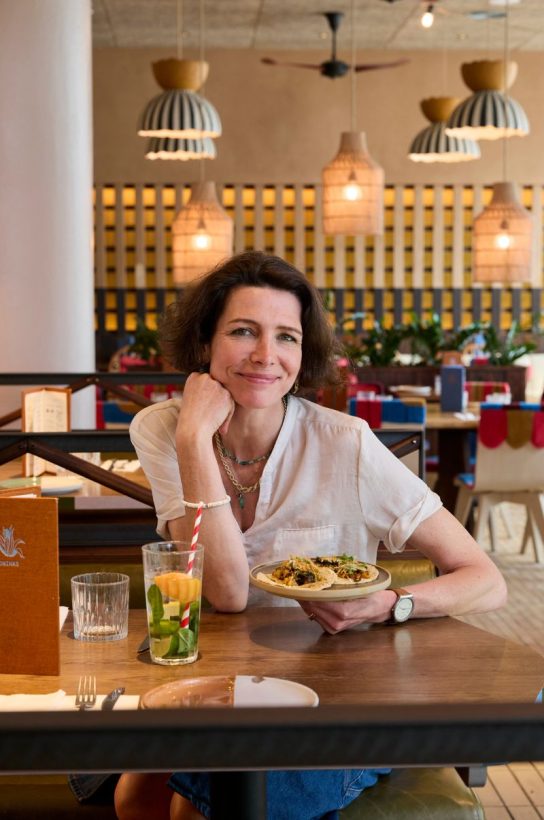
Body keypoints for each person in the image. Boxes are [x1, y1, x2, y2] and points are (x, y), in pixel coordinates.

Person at [114, 250, 507, 820]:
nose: (265, 355)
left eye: (287, 337)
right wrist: (195, 439)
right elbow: (227, 590)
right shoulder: (166, 429)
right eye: (243, 331)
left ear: (305, 353)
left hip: (335, 691)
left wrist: (389, 604)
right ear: (204, 344)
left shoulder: (345, 442)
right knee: (135, 798)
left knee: (192, 809)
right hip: (219, 681)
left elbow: (486, 580)